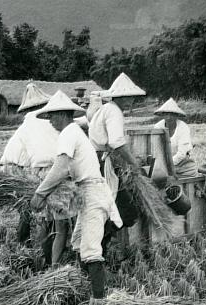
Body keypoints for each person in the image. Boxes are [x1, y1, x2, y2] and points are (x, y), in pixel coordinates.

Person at [31, 90, 123, 304]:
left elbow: (61, 167)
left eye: (52, 116)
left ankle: (98, 299)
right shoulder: (73, 132)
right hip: (88, 191)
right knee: (79, 242)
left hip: (92, 192)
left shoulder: (69, 133)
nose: (51, 121)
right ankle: (85, 287)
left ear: (63, 114)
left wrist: (40, 193)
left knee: (90, 249)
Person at [0, 83, 75, 265]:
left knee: (38, 216)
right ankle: (44, 258)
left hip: (17, 169)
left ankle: (30, 251)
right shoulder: (44, 121)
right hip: (36, 171)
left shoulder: (26, 124)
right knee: (50, 220)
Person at [89, 72, 144, 231]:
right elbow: (116, 142)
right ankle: (101, 241)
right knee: (121, 210)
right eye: (128, 97)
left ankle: (103, 242)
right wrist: (134, 164)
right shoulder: (114, 111)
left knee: (110, 206)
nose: (131, 101)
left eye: (132, 97)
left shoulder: (106, 108)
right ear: (119, 97)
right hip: (104, 163)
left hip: (98, 160)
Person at [153, 98, 196, 177]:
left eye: (172, 114)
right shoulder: (158, 127)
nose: (169, 117)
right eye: (166, 114)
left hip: (183, 165)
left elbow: (181, 154)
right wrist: (162, 166)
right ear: (162, 115)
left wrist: (168, 165)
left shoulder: (183, 127)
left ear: (177, 115)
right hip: (162, 166)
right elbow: (156, 150)